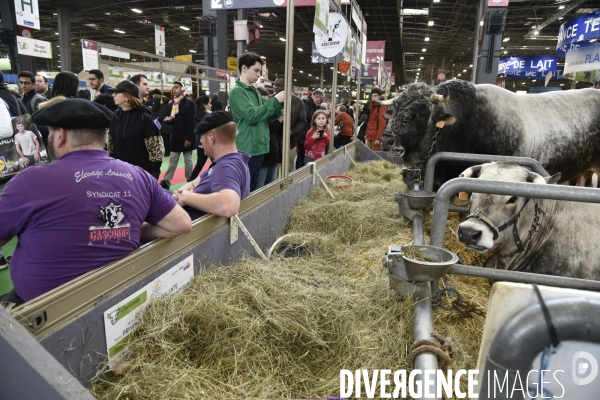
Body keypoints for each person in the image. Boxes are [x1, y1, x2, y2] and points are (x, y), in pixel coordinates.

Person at [0, 98, 192, 307]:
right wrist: (132, 229)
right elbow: (181, 224)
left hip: (45, 313)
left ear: (61, 135)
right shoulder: (139, 176)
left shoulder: (30, 181)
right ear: (103, 136)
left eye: (51, 134)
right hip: (120, 301)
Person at [172, 111, 250, 220]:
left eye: (201, 137)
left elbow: (229, 206)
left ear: (210, 138)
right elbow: (193, 184)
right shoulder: (230, 160)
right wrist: (178, 195)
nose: (200, 141)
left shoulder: (227, 167)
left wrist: (186, 197)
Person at [229, 52, 285, 192]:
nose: (259, 74)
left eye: (259, 71)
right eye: (256, 70)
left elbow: (267, 114)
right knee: (249, 188)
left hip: (260, 147)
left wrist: (279, 104)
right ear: (244, 68)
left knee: (256, 186)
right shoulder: (237, 92)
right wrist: (275, 100)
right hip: (248, 148)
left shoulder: (254, 91)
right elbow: (251, 116)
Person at [108, 80, 163, 180]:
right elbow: (111, 145)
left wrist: (154, 174)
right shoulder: (116, 116)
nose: (113, 95)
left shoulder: (144, 117)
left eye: (117, 92)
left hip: (140, 173)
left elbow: (156, 149)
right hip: (118, 172)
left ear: (127, 96)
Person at [160, 81, 196, 189]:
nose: (174, 89)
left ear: (182, 89)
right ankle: (166, 181)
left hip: (186, 136)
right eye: (173, 87)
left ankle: (190, 180)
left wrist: (188, 138)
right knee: (173, 159)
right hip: (175, 136)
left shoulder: (189, 103)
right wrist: (169, 120)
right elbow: (174, 119)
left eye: (176, 87)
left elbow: (191, 122)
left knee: (188, 159)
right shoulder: (173, 104)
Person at [270, 75, 306, 174]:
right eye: (275, 85)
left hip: (291, 143)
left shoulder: (298, 102)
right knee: (274, 173)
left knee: (288, 172)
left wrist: (292, 132)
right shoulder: (270, 100)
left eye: (279, 85)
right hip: (273, 143)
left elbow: (303, 120)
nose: (276, 87)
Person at [298, 89, 326, 169]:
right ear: (317, 97)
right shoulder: (305, 102)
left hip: (309, 135)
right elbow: (308, 115)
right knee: (302, 159)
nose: (321, 102)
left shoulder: (313, 104)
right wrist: (321, 112)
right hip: (303, 135)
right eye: (321, 100)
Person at [189, 95, 211, 182]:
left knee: (199, 166)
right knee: (217, 164)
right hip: (208, 144)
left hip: (200, 144)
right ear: (205, 105)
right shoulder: (207, 116)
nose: (211, 105)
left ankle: (191, 181)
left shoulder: (197, 115)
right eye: (209, 103)